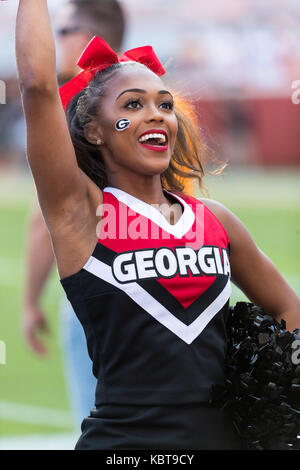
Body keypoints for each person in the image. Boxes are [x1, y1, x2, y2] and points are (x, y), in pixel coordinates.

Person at [15, 0, 300, 450]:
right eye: (134, 104)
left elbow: (290, 308)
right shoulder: (83, 215)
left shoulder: (216, 220)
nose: (156, 115)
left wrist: (273, 383)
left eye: (165, 105)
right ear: (95, 131)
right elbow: (37, 87)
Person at [21, 0, 125, 430]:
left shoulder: (80, 108)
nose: (55, 40)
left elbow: (43, 221)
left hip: (96, 294)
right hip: (168, 286)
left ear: (87, 38)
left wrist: (29, 302)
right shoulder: (157, 100)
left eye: (62, 31)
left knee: (100, 428)